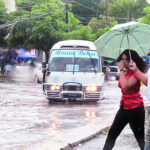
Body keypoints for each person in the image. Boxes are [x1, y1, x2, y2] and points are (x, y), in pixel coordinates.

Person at [103, 49, 147, 150]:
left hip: (135, 108)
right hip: (124, 106)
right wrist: (123, 71)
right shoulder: (126, 72)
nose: (123, 62)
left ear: (132, 60)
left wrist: (121, 70)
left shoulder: (135, 73)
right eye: (122, 59)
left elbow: (125, 85)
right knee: (112, 133)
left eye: (126, 59)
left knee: (140, 139)